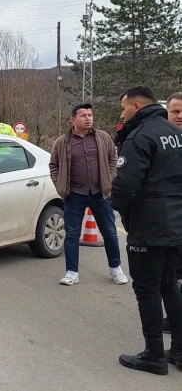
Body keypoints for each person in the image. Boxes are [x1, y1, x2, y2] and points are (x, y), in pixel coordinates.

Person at [111, 86, 182, 375]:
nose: (122, 113)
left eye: (123, 107)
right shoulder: (176, 134)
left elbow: (125, 186)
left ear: (137, 106)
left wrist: (117, 205)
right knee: (169, 285)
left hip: (148, 227)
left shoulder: (138, 137)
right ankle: (178, 349)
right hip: (176, 225)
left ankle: (154, 354)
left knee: (147, 289)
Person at [49, 103, 128, 286]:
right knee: (72, 235)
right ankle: (71, 272)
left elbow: (112, 159)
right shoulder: (62, 142)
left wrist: (110, 179)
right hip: (74, 194)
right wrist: (60, 186)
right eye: (83, 115)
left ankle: (116, 268)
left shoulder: (103, 137)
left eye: (90, 115)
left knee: (109, 233)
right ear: (73, 119)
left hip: (100, 193)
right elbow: (54, 165)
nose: (88, 118)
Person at [162, 92, 182, 334]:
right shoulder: (162, 140)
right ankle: (174, 317)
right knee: (173, 273)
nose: (180, 116)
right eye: (175, 111)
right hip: (170, 220)